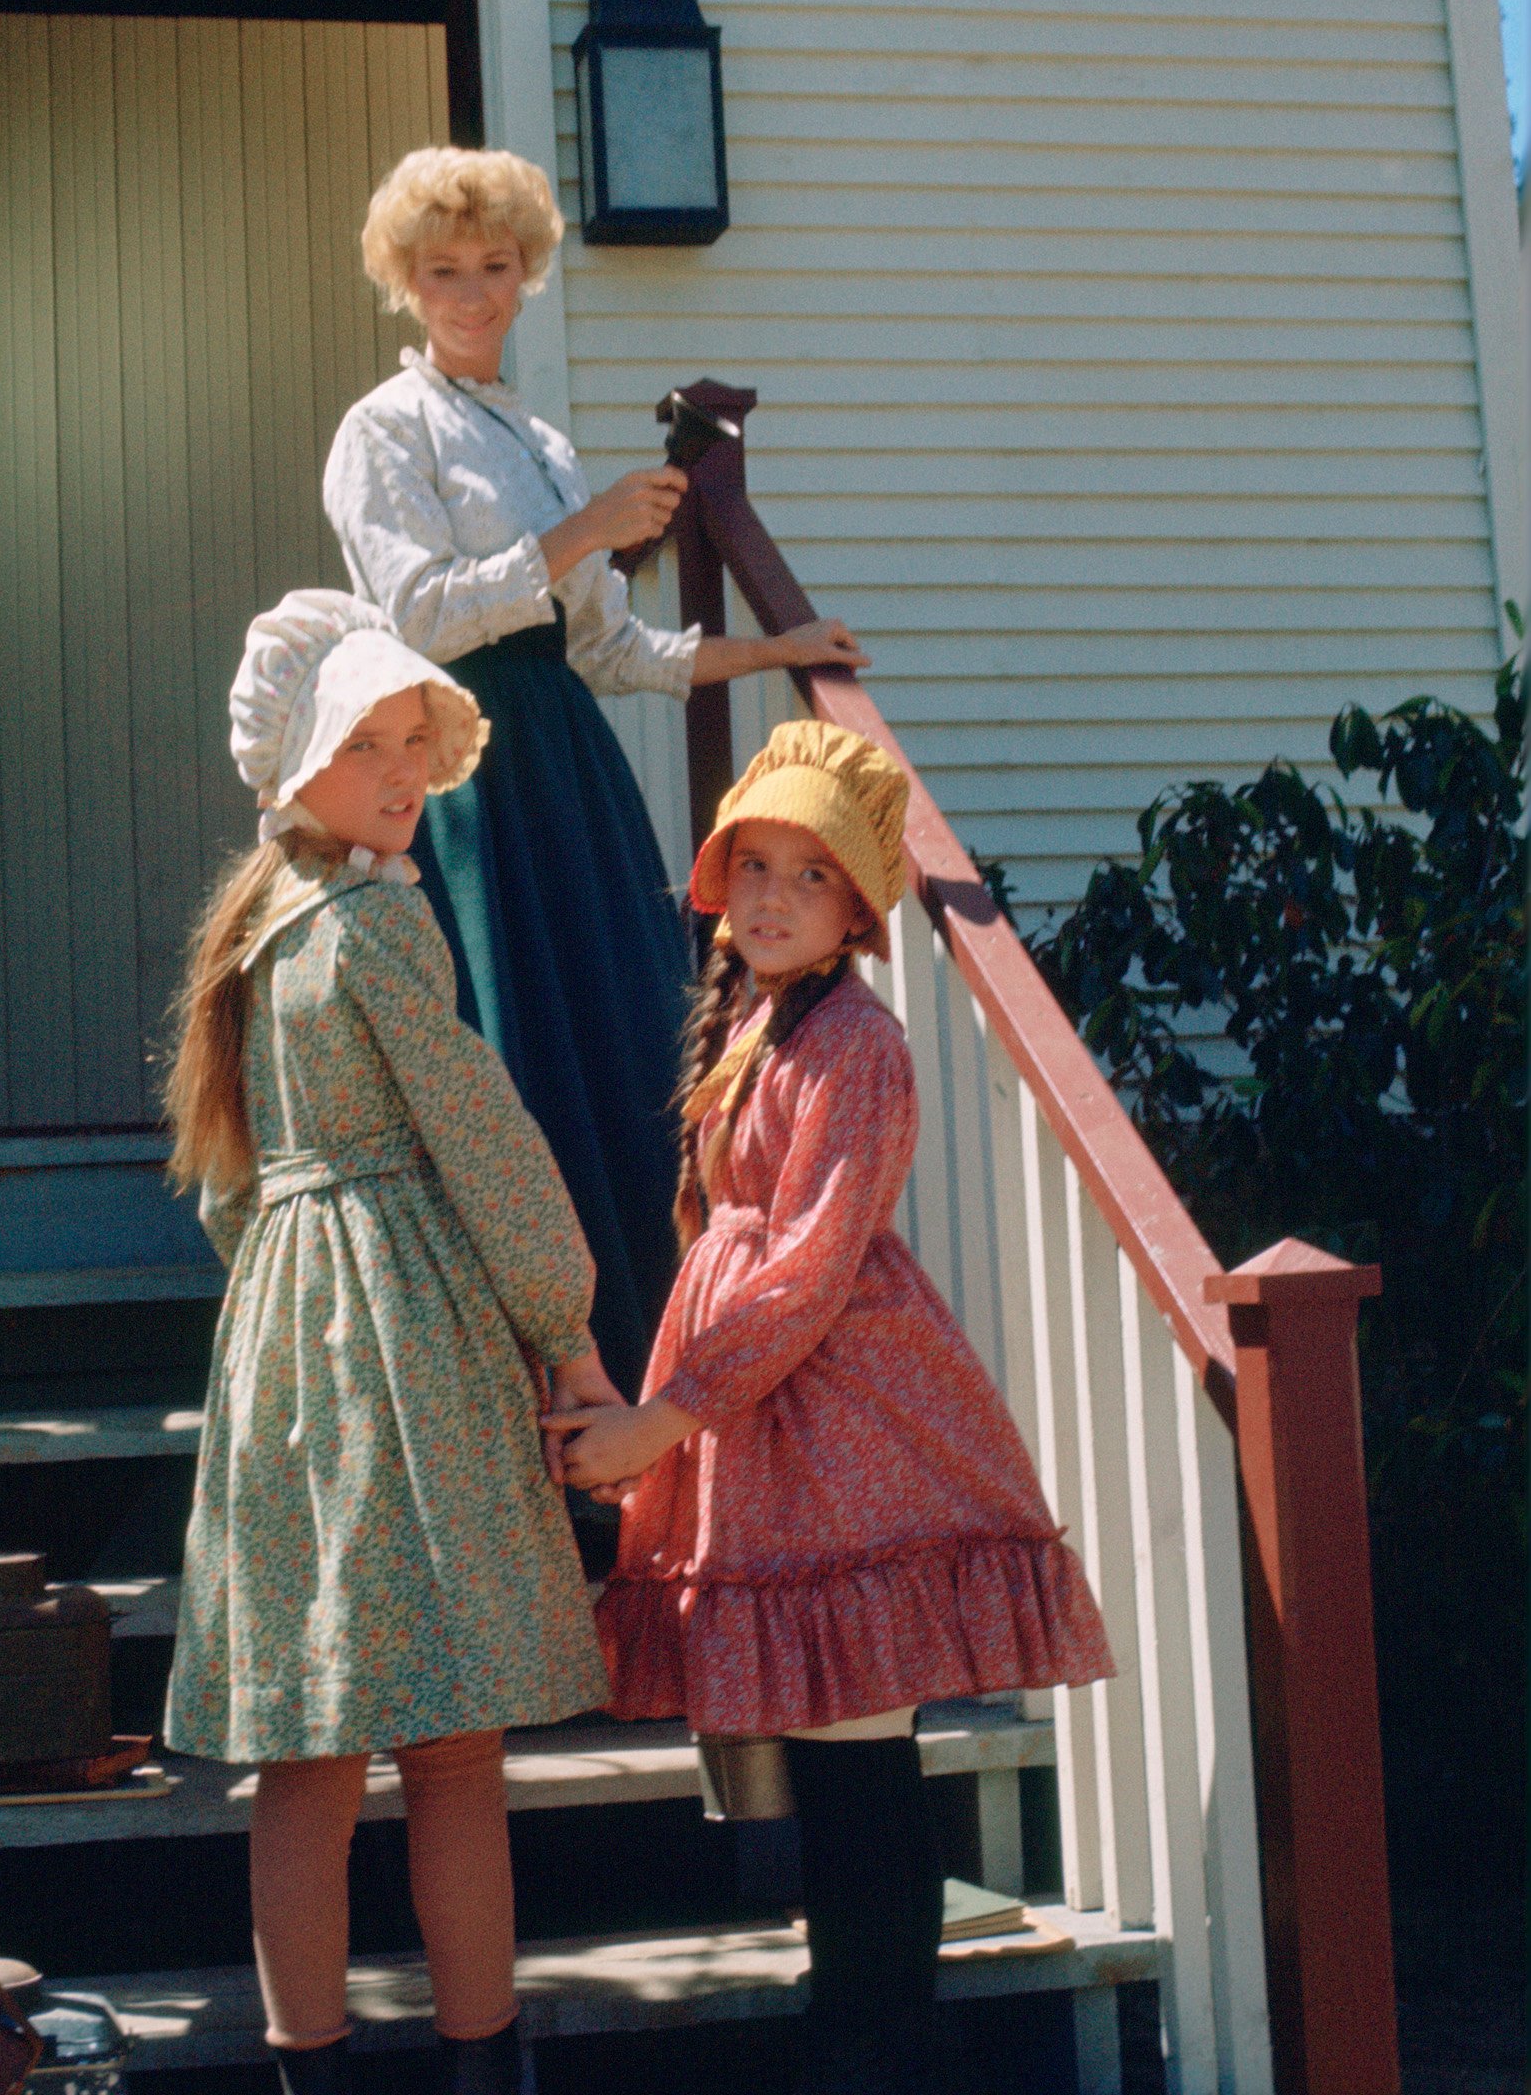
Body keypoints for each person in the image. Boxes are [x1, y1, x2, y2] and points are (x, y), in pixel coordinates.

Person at [545, 722, 1115, 2095]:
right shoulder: (751, 1019)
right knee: (820, 1746)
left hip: (842, 1411)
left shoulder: (858, 1040)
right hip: (762, 1415)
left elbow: (804, 1274)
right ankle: (858, 2029)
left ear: (858, 906)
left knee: (859, 1757)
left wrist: (665, 1416)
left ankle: (879, 2045)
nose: (773, 896)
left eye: (811, 874)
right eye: (756, 863)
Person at [162, 590, 619, 2095]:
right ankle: (482, 2069)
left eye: (413, 738)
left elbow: (228, 1184)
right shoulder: (375, 918)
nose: (404, 767)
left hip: (284, 1337)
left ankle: (314, 2068)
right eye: (367, 743)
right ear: (293, 761)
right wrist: (563, 1325)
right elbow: (480, 1135)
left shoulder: (253, 930)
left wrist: (287, 1284)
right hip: (401, 1334)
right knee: (448, 1751)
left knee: (301, 1753)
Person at [323, 145, 868, 1402]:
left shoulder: (539, 438)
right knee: (509, 1073)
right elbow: (415, 615)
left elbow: (611, 650)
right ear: (407, 282)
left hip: (569, 770)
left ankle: (650, 1381)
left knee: (631, 1055)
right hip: (467, 770)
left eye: (495, 267)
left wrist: (772, 647)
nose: (471, 293)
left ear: (527, 277)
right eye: (443, 270)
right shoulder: (381, 431)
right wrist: (588, 527)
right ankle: (527, 1404)